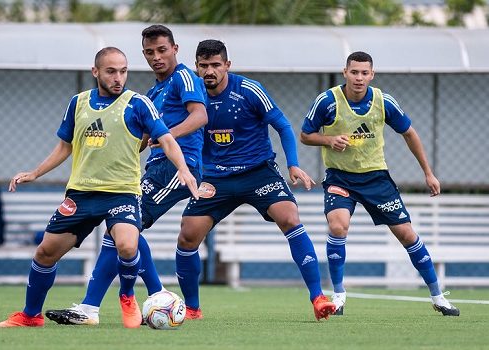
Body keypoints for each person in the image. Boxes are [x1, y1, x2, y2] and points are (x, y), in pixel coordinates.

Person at [0, 46, 199, 328]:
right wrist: (35, 172)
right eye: (111, 71)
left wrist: (184, 170)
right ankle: (31, 316)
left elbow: (166, 139)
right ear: (96, 72)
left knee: (127, 245)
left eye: (123, 71)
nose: (118, 77)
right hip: (81, 194)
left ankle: (127, 296)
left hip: (122, 193)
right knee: (45, 252)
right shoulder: (77, 103)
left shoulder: (138, 104)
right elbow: (64, 146)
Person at [44, 24, 207, 326]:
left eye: (162, 50)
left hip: (176, 167)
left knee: (125, 226)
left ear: (175, 49)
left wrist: (165, 139)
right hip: (155, 167)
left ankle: (95, 306)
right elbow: (144, 134)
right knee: (125, 231)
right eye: (149, 52)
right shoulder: (155, 90)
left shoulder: (184, 76)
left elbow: (200, 116)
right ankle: (153, 294)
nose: (156, 57)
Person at [174, 39, 336, 321]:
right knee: (188, 235)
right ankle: (192, 308)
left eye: (215, 65)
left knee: (290, 218)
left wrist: (294, 165)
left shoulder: (249, 90)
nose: (209, 70)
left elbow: (283, 125)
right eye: (203, 66)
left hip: (258, 172)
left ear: (227, 65)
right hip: (216, 178)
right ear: (196, 67)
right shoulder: (191, 94)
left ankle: (318, 297)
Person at [299, 51, 459, 317]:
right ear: (345, 73)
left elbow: (409, 133)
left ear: (372, 75)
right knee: (338, 226)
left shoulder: (383, 101)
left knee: (407, 235)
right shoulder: (327, 101)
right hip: (340, 177)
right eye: (354, 72)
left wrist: (428, 173)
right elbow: (305, 135)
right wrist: (328, 140)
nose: (359, 78)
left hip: (376, 178)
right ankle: (338, 296)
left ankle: (438, 296)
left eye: (364, 73)